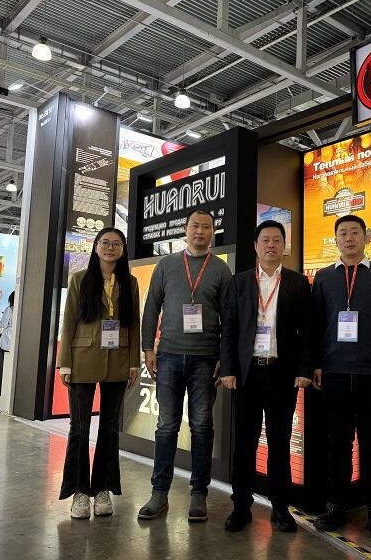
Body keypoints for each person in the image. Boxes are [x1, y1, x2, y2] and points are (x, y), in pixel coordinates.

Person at [311, 214, 371, 544]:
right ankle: (335, 504)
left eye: (355, 233)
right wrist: (316, 364)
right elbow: (316, 326)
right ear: (335, 240)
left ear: (366, 237)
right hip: (334, 372)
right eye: (343, 233)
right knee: (337, 444)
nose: (349, 238)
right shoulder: (323, 278)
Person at [138, 209, 231, 523]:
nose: (200, 231)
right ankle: (159, 493)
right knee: (166, 425)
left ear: (213, 232)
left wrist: (224, 356)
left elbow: (229, 317)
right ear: (185, 229)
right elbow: (152, 307)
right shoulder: (166, 265)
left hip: (206, 359)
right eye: (195, 226)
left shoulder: (220, 269)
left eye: (206, 227)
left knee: (202, 426)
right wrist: (147, 348)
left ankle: (199, 493)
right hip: (168, 356)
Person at [219, 220, 312, 533]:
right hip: (247, 374)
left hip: (281, 373)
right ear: (256, 246)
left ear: (284, 246)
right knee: (244, 442)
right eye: (265, 240)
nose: (271, 245)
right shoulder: (239, 282)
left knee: (279, 442)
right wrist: (228, 368)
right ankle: (241, 506)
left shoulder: (298, 283)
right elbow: (229, 329)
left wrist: (304, 369)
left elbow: (307, 332)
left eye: (276, 240)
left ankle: (281, 508)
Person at [57, 228, 140, 519]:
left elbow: (134, 323)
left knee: (109, 428)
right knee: (79, 428)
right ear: (95, 247)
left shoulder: (130, 282)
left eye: (116, 244)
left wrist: (134, 362)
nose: (110, 248)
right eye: (105, 243)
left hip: (118, 360)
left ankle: (102, 489)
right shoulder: (80, 279)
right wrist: (64, 362)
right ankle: (80, 491)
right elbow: (69, 321)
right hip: (82, 359)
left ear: (123, 250)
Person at [0, 292, 14, 397]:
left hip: (6, 342)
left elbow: (3, 324)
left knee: (0, 368)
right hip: (15, 343)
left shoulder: (9, 309)